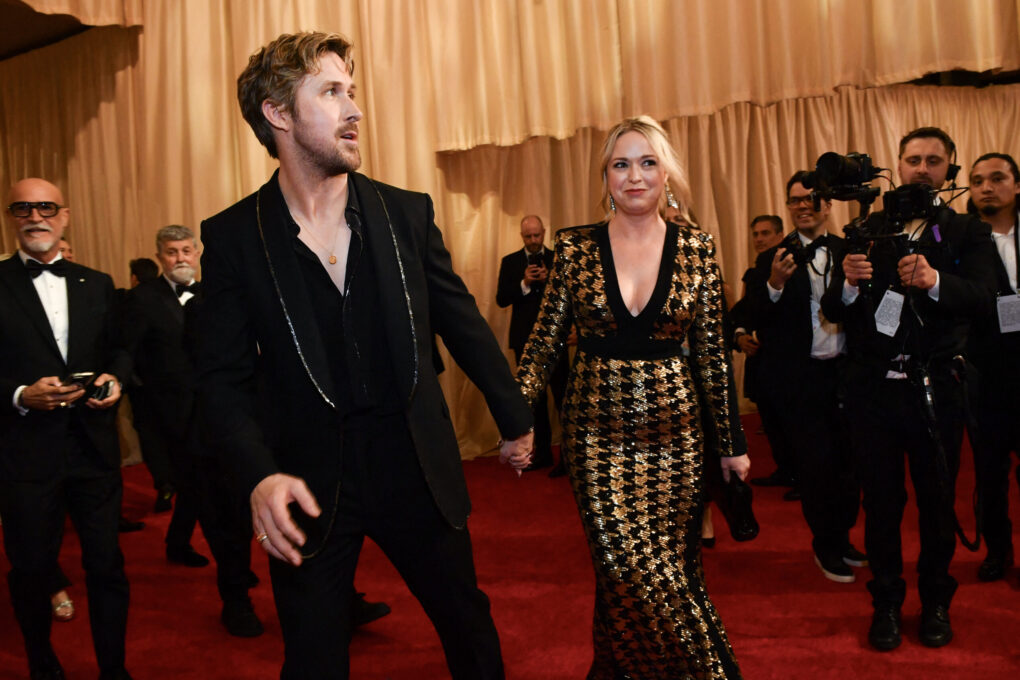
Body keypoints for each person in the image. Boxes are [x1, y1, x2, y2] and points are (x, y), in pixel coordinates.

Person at [195, 32, 533, 679]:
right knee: (314, 657)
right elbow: (221, 381)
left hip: (415, 466)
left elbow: (460, 321)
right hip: (309, 485)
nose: (354, 110)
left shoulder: (405, 213)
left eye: (352, 92)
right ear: (277, 113)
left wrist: (512, 413)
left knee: (470, 629)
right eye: (330, 92)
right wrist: (259, 476)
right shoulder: (236, 238)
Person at [509, 116, 748, 679]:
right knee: (626, 563)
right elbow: (542, 344)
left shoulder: (697, 248)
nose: (634, 176)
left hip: (678, 439)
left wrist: (730, 443)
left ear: (666, 173)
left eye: (647, 163)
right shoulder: (574, 247)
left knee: (669, 570)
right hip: (595, 436)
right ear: (606, 177)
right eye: (621, 164)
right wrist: (516, 418)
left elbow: (713, 354)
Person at [821, 127, 998, 650]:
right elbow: (833, 309)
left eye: (934, 160)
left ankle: (937, 602)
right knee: (880, 505)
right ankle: (888, 605)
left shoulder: (966, 231)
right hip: (873, 392)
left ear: (951, 169)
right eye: (913, 159)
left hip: (936, 388)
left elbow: (985, 299)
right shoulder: (866, 227)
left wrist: (935, 281)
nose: (922, 168)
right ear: (897, 165)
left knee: (937, 504)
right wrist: (848, 285)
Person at [0, 178, 132, 679]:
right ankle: (41, 662)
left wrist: (113, 378)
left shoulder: (96, 282)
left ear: (65, 215)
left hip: (93, 451)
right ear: (13, 217)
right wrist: (18, 395)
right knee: (32, 569)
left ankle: (114, 670)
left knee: (107, 568)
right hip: (24, 456)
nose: (36, 216)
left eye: (46, 207)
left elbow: (118, 350)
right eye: (23, 208)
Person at [742, 173, 863, 582]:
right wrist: (774, 284)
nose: (803, 205)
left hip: (847, 377)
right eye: (795, 200)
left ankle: (843, 536)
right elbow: (750, 314)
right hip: (799, 382)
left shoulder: (851, 251)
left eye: (812, 198)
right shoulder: (770, 259)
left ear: (828, 205)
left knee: (850, 468)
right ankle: (825, 545)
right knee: (816, 470)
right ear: (788, 207)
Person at [124, 225, 210, 568]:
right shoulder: (142, 299)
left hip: (212, 409)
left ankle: (181, 543)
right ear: (160, 257)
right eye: (172, 252)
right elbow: (126, 352)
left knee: (206, 484)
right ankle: (185, 545)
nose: (181, 258)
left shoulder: (213, 294)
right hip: (168, 414)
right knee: (194, 483)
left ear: (197, 253)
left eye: (186, 251)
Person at [965, 152, 1020, 582]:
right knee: (990, 473)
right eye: (978, 179)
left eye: (997, 178)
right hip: (986, 374)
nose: (987, 186)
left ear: (1016, 185)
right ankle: (998, 550)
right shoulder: (961, 240)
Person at [496, 214, 569, 475]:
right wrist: (524, 283)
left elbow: (570, 299)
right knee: (533, 403)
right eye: (528, 236)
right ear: (521, 236)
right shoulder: (511, 262)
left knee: (563, 399)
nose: (534, 240)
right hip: (525, 342)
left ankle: (567, 459)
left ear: (544, 231)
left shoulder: (558, 259)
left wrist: (550, 280)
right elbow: (501, 299)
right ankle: (543, 453)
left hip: (557, 342)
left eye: (537, 235)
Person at [731, 215, 798, 491]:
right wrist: (739, 335)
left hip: (790, 360)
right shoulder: (756, 270)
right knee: (771, 421)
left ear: (780, 235)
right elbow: (746, 310)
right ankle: (785, 470)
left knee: (792, 423)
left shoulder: (794, 264)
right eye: (755, 234)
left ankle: (801, 476)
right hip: (763, 359)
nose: (759, 239)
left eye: (765, 233)